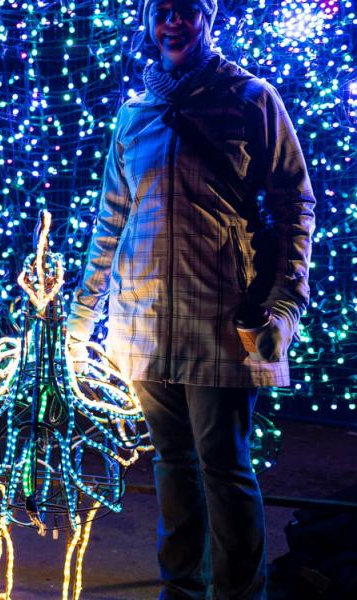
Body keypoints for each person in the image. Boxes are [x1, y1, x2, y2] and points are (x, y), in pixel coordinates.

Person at [66, 1, 315, 599]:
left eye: (186, 10)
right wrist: (81, 316)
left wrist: (286, 302)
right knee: (172, 466)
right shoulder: (135, 114)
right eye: (163, 11)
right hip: (144, 318)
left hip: (221, 316)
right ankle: (182, 589)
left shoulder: (250, 98)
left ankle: (237, 594)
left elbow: (294, 201)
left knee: (224, 467)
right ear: (151, 23)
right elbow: (111, 220)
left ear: (207, 18)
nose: (173, 21)